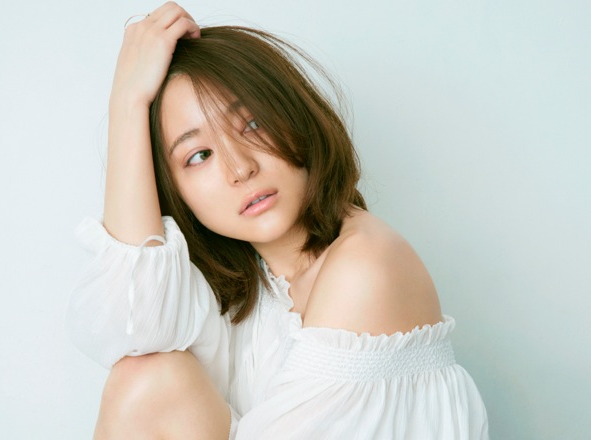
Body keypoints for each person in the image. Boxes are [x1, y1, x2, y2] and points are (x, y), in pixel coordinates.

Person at [66, 2, 489, 439]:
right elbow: (132, 327)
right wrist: (127, 104)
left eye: (251, 124)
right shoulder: (249, 286)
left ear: (294, 114)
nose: (240, 168)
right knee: (145, 376)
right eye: (199, 155)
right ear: (177, 192)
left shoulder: (367, 266)